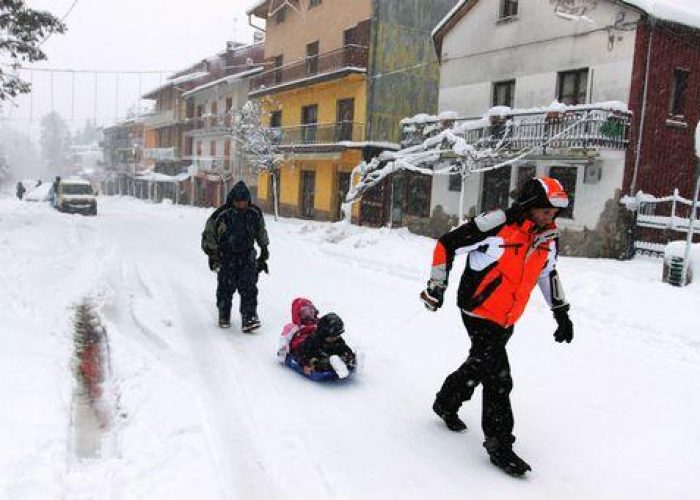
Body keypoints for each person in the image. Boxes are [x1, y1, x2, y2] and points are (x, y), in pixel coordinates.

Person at [420, 176, 574, 476]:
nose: (550, 216)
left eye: (554, 212)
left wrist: (561, 313)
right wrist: (437, 286)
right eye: (545, 210)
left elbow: (548, 274)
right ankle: (500, 445)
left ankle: (446, 403)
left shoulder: (547, 237)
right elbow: (447, 244)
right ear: (530, 205)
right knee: (499, 379)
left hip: (507, 317)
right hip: (478, 311)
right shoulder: (497, 225)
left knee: (480, 364)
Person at [201, 181, 269, 331]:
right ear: (232, 200)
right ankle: (224, 315)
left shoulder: (254, 213)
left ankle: (249, 317)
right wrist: (213, 253)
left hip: (247, 255)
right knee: (226, 288)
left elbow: (260, 231)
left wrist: (264, 248)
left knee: (249, 288)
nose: (241, 205)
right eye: (238, 202)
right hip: (226, 256)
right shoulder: (221, 215)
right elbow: (209, 234)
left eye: (244, 201)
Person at [294, 313, 356, 378]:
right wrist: (305, 365)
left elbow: (344, 347)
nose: (336, 338)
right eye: (333, 336)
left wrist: (349, 355)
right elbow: (302, 353)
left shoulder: (337, 339)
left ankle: (347, 362)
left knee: (345, 355)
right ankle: (336, 364)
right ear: (324, 334)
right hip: (318, 359)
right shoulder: (313, 340)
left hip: (332, 355)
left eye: (338, 335)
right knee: (321, 364)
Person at [276, 297, 320, 362]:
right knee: (309, 342)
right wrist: (282, 352)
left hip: (316, 345)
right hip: (301, 348)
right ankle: (311, 362)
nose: (309, 315)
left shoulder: (317, 324)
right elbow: (284, 339)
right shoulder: (292, 327)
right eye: (305, 312)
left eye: (311, 311)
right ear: (297, 313)